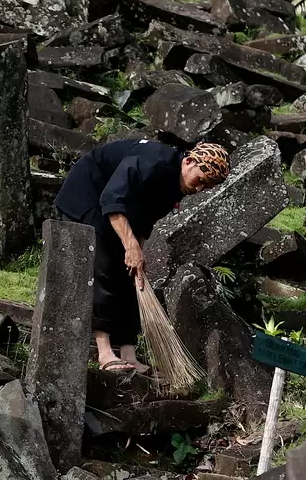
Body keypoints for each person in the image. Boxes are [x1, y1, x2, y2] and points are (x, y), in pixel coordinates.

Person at [54, 139, 231, 372]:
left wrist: (138, 251)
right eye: (200, 180)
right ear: (188, 162)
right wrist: (130, 245)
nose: (198, 189)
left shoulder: (175, 187)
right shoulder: (153, 161)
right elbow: (111, 198)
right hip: (89, 193)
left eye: (206, 187)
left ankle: (128, 352)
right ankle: (104, 351)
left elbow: (144, 219)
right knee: (104, 262)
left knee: (131, 275)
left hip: (118, 210)